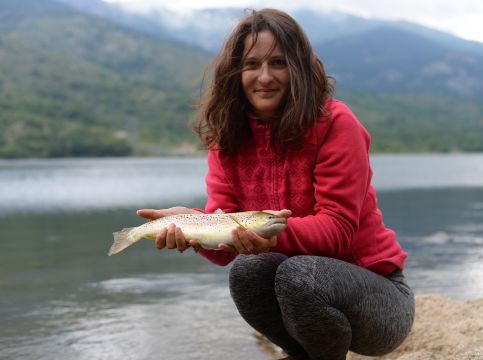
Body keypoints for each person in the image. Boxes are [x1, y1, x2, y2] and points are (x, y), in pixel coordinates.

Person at [137, 8, 415, 360]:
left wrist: (271, 235)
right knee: (247, 270)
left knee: (297, 273)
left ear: (298, 68)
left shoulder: (336, 123)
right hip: (303, 292)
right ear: (236, 73)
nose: (264, 77)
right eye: (252, 64)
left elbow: (338, 229)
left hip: (379, 300)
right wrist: (192, 229)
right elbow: (225, 241)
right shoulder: (227, 140)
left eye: (278, 63)